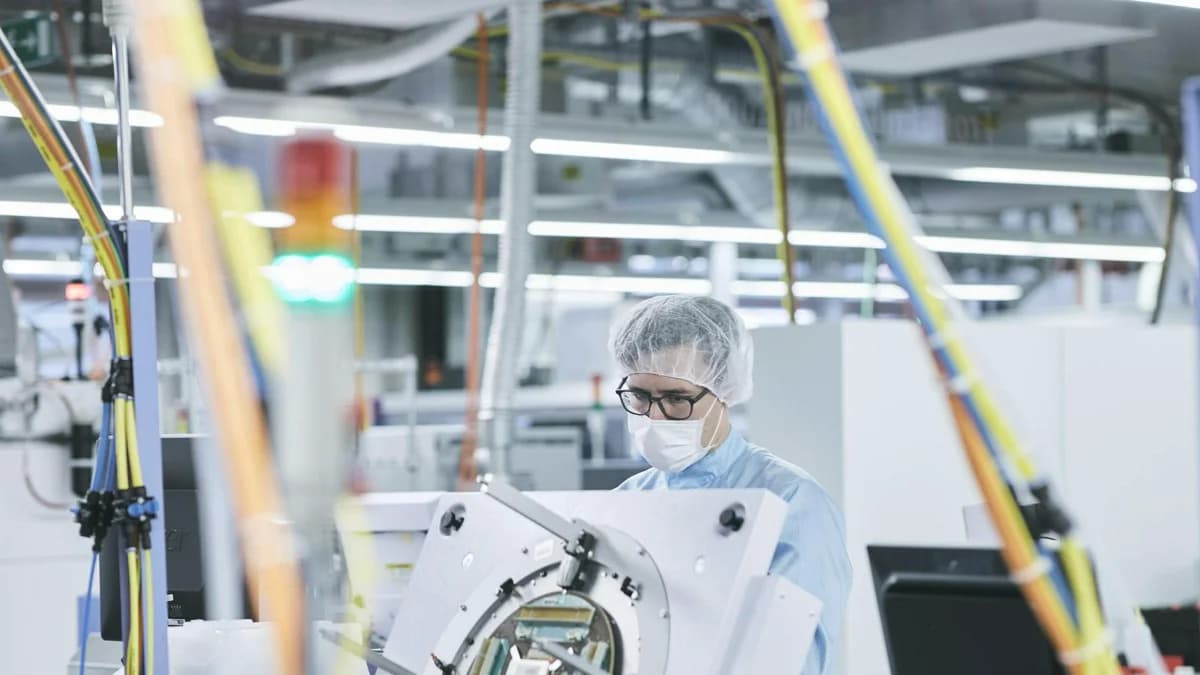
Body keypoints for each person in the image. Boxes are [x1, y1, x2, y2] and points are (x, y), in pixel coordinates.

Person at [610, 295, 851, 675]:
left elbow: (793, 658)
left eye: (676, 399)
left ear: (724, 390)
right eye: (640, 397)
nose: (654, 417)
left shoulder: (791, 501)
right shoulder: (627, 498)